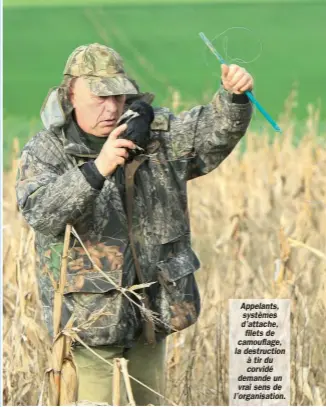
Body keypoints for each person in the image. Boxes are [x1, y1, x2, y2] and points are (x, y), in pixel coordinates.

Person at [15, 43, 254, 405]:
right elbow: (41, 212)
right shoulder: (46, 151)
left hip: (151, 314)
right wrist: (98, 169)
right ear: (70, 94)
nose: (111, 108)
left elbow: (210, 135)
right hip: (87, 324)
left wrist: (234, 97)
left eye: (119, 96)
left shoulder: (154, 135)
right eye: (99, 97)